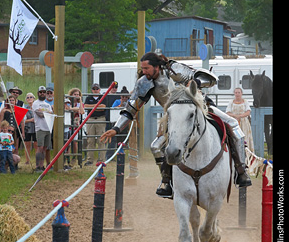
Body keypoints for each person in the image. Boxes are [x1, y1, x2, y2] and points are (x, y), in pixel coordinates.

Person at [101, 52, 252, 199]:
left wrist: (195, 83)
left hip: (201, 107)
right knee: (156, 147)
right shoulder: (144, 83)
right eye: (143, 68)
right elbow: (131, 109)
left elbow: (211, 79)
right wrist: (116, 129)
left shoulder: (175, 70)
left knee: (232, 124)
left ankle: (241, 171)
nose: (143, 71)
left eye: (146, 68)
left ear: (157, 67)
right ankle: (167, 181)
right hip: (173, 117)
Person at [83, 83, 106, 166]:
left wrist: (92, 107)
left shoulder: (102, 97)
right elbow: (85, 106)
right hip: (91, 119)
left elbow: (103, 107)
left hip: (100, 119)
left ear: (99, 90)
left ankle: (101, 159)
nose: (95, 90)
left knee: (101, 139)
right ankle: (90, 159)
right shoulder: (89, 97)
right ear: (92, 89)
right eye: (94, 89)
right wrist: (97, 106)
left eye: (97, 89)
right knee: (90, 140)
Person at [32, 86, 54, 172]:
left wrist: (45, 112)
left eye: (43, 92)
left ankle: (42, 165)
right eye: (41, 92)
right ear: (38, 93)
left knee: (45, 147)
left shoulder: (48, 104)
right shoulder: (36, 103)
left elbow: (51, 114)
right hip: (40, 127)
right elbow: (39, 114)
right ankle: (38, 166)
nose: (42, 93)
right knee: (40, 147)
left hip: (48, 127)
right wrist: (47, 112)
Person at [226, 88, 254, 153]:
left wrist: (240, 116)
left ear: (241, 93)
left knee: (245, 137)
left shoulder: (245, 101)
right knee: (234, 137)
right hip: (234, 122)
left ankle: (247, 153)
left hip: (244, 123)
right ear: (234, 93)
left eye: (239, 92)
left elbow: (248, 112)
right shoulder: (231, 102)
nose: (237, 94)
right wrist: (235, 116)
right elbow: (227, 112)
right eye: (236, 92)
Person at [23, 92, 37, 164]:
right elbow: (23, 120)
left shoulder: (37, 107)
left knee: (36, 144)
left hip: (36, 128)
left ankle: (37, 159)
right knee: (27, 144)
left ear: (34, 99)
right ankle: (27, 160)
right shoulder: (25, 108)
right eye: (27, 97)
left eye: (31, 97)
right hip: (28, 128)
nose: (29, 98)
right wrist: (30, 120)